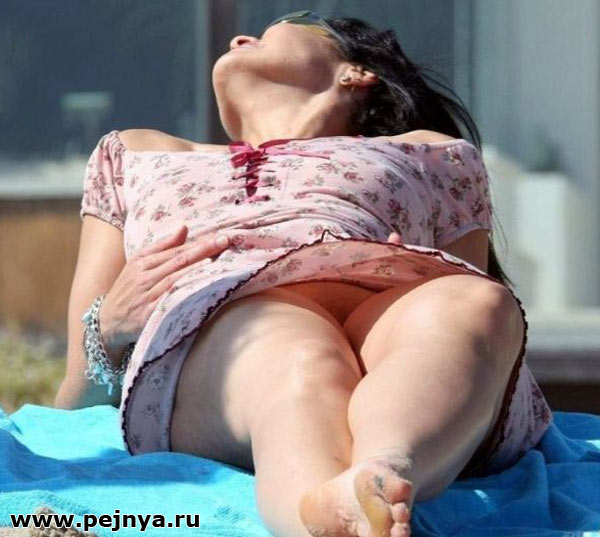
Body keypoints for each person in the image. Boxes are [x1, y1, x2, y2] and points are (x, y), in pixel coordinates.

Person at [54, 11, 553, 537]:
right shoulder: (135, 153)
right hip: (229, 322)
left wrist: (425, 285)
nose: (239, 37)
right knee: (290, 345)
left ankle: (381, 473)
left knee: (476, 302)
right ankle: (329, 517)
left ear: (356, 72)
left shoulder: (433, 153)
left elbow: (482, 357)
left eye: (278, 27)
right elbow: (71, 404)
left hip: (383, 318)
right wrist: (107, 329)